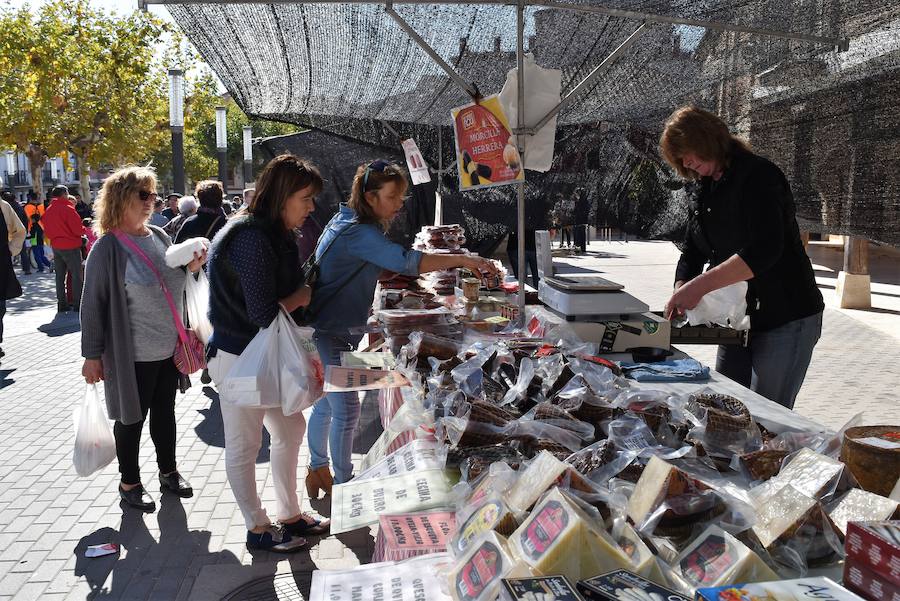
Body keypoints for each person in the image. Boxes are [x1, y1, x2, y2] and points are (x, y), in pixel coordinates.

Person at [305, 159, 500, 493]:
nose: (400, 204)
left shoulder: (344, 218)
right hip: (330, 329)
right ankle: (343, 486)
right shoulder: (359, 231)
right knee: (346, 409)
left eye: (402, 196)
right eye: (393, 196)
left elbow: (367, 266)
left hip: (329, 325)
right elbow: (410, 263)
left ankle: (318, 469)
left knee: (327, 402)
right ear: (370, 197)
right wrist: (467, 259)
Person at [661, 106, 824, 410]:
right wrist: (681, 288)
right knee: (725, 410)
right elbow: (693, 250)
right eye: (680, 158)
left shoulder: (759, 176)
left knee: (767, 417)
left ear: (707, 139)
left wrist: (700, 287)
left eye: (688, 152)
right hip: (737, 321)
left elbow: (764, 250)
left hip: (785, 316)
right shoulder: (702, 187)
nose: (686, 162)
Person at [206, 154, 329, 553]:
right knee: (244, 443)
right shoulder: (251, 237)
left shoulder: (269, 232)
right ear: (282, 195)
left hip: (262, 355)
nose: (311, 208)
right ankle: (257, 528)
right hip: (240, 358)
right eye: (306, 199)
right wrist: (303, 294)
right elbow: (261, 312)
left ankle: (290, 514)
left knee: (290, 429)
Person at [81, 165, 205, 511]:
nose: (152, 201)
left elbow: (176, 281)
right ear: (122, 199)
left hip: (169, 347)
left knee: (165, 413)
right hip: (130, 353)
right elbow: (92, 305)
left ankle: (169, 472)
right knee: (131, 420)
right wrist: (91, 355)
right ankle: (130, 482)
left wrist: (193, 267)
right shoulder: (107, 249)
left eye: (153, 194)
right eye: (143, 195)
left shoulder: (161, 237)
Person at [42, 186, 84, 313]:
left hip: (56, 245)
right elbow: (77, 229)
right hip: (71, 245)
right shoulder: (68, 209)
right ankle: (78, 304)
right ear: (65, 194)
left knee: (59, 277)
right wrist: (82, 232)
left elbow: (46, 229)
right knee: (77, 276)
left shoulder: (48, 210)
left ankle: (62, 304)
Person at [0, 195, 26, 358]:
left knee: (0, 307)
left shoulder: (3, 206)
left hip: (1, 262)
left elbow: (19, 230)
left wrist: (11, 249)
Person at [4, 192, 31, 274]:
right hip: (19, 233)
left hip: (12, 233)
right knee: (22, 251)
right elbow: (26, 220)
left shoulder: (9, 208)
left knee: (8, 252)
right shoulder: (19, 207)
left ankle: (10, 271)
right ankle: (26, 269)